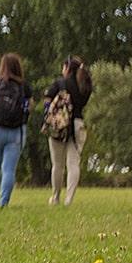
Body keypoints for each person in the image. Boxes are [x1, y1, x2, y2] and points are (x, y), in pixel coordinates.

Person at [0, 53, 31, 208]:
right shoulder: (24, 86)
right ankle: (4, 202)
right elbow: (30, 106)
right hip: (16, 131)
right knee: (9, 169)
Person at [45, 55, 93, 206]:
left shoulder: (60, 83)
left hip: (59, 125)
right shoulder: (84, 85)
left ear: (67, 68)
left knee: (57, 165)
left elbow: (47, 100)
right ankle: (69, 200)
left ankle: (56, 197)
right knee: (73, 164)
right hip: (78, 125)